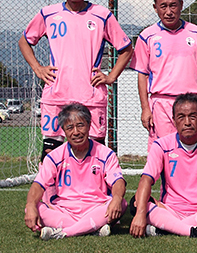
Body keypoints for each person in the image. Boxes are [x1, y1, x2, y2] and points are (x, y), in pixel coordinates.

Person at [19, 0, 133, 158]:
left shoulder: (102, 15)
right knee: (50, 152)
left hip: (91, 95)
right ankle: (52, 190)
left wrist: (111, 76)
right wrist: (38, 69)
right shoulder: (48, 14)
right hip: (56, 94)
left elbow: (126, 48)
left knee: (94, 152)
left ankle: (95, 189)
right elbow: (24, 41)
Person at [130, 93, 197, 239]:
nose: (187, 122)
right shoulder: (161, 145)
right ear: (174, 120)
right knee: (137, 202)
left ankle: (166, 228)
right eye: (181, 117)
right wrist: (140, 215)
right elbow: (146, 179)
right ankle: (193, 230)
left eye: (192, 116)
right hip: (170, 210)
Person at [24, 103, 126, 240]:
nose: (76, 132)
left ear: (89, 125)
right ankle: (90, 228)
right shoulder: (54, 157)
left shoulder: (106, 154)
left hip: (96, 208)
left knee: (121, 202)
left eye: (80, 125)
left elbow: (118, 182)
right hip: (64, 211)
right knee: (33, 206)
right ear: (64, 131)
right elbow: (38, 185)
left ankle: (64, 233)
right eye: (70, 127)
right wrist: (30, 205)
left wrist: (117, 198)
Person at [132, 0, 197, 147]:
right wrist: (145, 108)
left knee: (195, 149)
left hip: (191, 102)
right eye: (163, 6)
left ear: (181, 5)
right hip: (161, 103)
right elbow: (142, 74)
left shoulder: (196, 33)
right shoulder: (146, 36)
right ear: (155, 8)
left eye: (173, 5)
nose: (169, 11)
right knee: (164, 151)